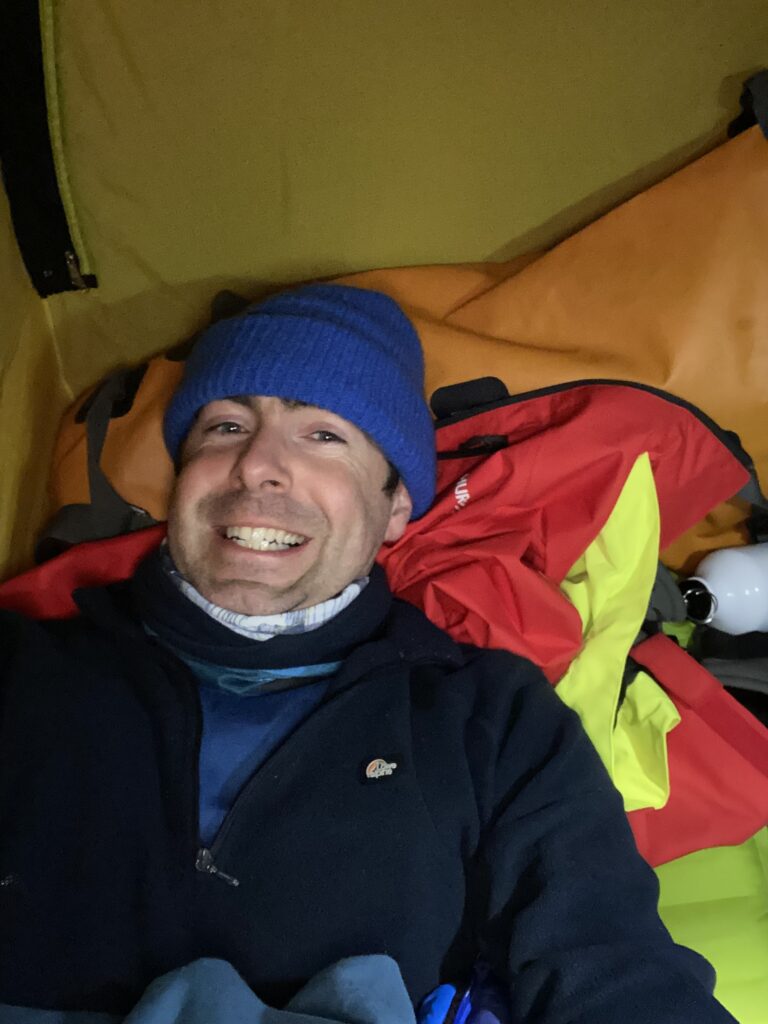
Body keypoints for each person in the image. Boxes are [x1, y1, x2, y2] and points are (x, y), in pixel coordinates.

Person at [0, 284, 737, 1024]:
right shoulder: (24, 670)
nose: (258, 465)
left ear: (395, 511)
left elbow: (617, 967)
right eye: (224, 426)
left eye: (324, 435)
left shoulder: (491, 719)